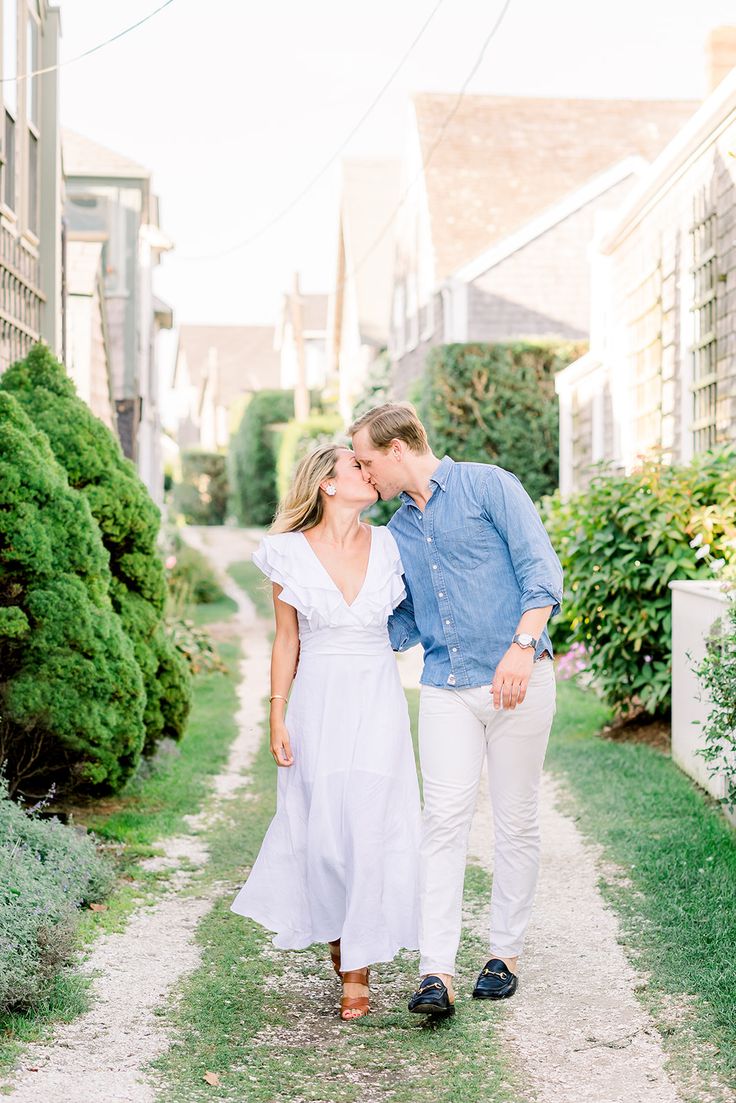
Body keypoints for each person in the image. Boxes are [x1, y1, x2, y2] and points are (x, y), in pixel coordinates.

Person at [350, 403, 563, 1018]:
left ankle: (504, 954)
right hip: (446, 686)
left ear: (396, 451)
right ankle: (435, 971)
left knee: (515, 818)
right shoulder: (398, 531)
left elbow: (540, 572)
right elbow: (407, 618)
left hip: (519, 683)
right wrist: (340, 634)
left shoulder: (489, 485)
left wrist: (521, 648)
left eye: (367, 461)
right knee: (442, 820)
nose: (366, 474)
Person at [230, 443, 420, 1021]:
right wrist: (276, 712)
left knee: (369, 823)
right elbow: (286, 640)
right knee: (323, 836)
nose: (369, 472)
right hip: (317, 702)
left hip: (377, 699)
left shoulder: (391, 544)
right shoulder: (287, 554)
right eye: (356, 467)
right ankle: (340, 938)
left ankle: (358, 966)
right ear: (327, 485)